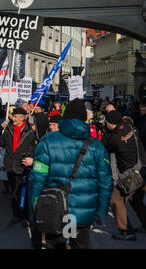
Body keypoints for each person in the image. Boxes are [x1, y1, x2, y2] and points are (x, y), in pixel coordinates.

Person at [29, 99, 113, 249]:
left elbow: (37, 178)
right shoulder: (97, 146)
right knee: (80, 245)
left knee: (55, 245)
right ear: (84, 119)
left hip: (54, 207)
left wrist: (34, 206)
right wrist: (101, 212)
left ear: (65, 117)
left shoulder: (48, 140)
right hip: (83, 211)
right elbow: (106, 183)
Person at [103, 110, 146, 241]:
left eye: (106, 123)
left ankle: (126, 231)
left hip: (132, 176)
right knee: (136, 199)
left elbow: (105, 146)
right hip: (143, 168)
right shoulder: (130, 127)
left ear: (111, 124)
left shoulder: (115, 139)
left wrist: (104, 133)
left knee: (115, 199)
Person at [0, 107, 37, 223]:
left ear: (22, 118)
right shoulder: (8, 129)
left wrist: (29, 157)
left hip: (23, 167)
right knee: (13, 192)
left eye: (15, 116)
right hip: (10, 166)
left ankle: (25, 215)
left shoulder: (29, 132)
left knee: (23, 192)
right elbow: (1, 143)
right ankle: (16, 214)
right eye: (13, 116)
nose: (12, 118)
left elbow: (33, 148)